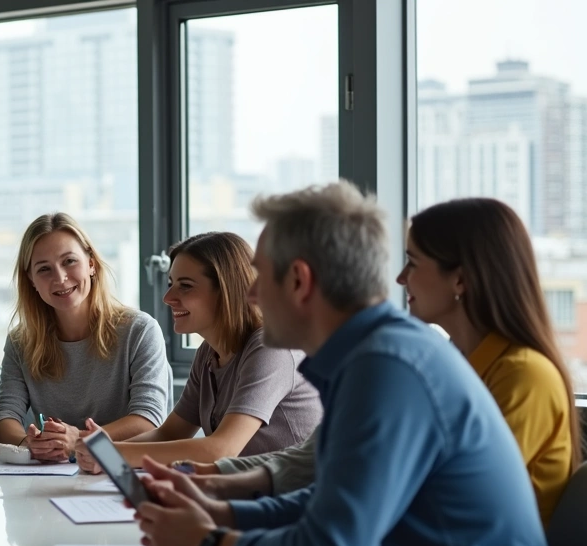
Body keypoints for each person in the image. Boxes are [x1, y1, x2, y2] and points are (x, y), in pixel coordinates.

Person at [133, 182, 562, 546]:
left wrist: (207, 543)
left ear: (299, 281)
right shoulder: (374, 355)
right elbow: (330, 503)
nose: (252, 294)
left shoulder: (387, 368)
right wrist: (225, 515)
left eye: (260, 275)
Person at [185, 199, 581, 526]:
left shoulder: (518, 374)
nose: (400, 279)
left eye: (413, 261)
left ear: (459, 280)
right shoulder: (444, 360)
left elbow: (414, 505)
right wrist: (214, 486)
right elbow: (320, 462)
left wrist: (226, 527)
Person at [71, 232, 320, 473]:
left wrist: (111, 455)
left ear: (227, 291)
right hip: (252, 495)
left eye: (185, 286)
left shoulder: (271, 347)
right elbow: (169, 433)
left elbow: (220, 450)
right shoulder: (208, 353)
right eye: (170, 284)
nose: (168, 298)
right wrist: (103, 453)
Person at [0, 213, 171, 462]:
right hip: (51, 478)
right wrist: (29, 443)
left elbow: (148, 420)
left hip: (122, 471)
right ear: (31, 280)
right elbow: (4, 417)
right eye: (44, 269)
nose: (60, 277)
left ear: (91, 263)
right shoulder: (21, 341)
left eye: (69, 261)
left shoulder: (140, 330)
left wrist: (79, 441)